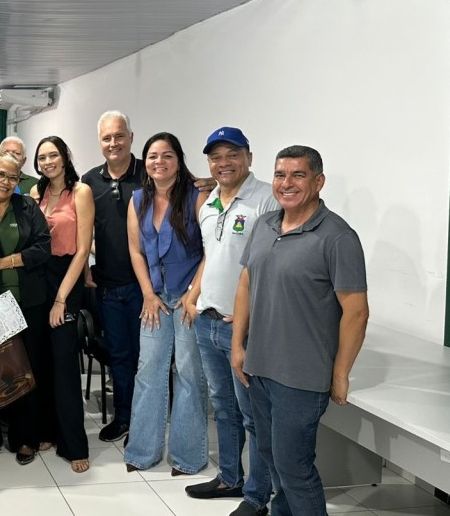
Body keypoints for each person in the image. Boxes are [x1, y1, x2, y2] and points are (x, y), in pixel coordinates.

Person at [232, 145, 368, 516]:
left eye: (298, 175)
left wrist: (340, 374)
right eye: (280, 174)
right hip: (259, 367)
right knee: (270, 456)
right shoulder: (264, 224)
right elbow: (245, 283)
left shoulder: (338, 237)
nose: (286, 183)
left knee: (294, 467)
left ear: (318, 181)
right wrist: (238, 346)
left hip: (302, 376)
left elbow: (356, 313)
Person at [183, 127, 277, 516]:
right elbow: (212, 255)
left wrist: (249, 314)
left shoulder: (266, 199)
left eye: (232, 154)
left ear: (249, 158)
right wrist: (194, 294)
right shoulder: (208, 204)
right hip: (208, 321)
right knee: (222, 407)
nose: (224, 163)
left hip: (244, 328)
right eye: (216, 157)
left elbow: (272, 265)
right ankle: (229, 477)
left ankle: (257, 496)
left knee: (254, 415)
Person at [123, 132, 209, 477]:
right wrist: (147, 292)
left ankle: (188, 457)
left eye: (167, 155)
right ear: (145, 162)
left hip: (188, 299)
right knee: (149, 371)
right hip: (155, 299)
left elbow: (211, 249)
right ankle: (142, 452)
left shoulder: (197, 195)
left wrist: (193, 293)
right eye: (153, 156)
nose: (159, 162)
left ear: (178, 160)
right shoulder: (138, 200)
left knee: (188, 373)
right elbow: (135, 250)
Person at [0, 152, 52, 466]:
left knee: (26, 370)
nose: (6, 182)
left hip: (29, 302)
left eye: (13, 177)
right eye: (0, 174)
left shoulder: (27, 207)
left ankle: (25, 437)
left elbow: (43, 247)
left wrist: (3, 262)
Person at [28, 136, 93, 473]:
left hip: (66, 279)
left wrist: (61, 299)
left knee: (64, 363)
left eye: (53, 155)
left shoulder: (80, 192)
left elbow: (82, 250)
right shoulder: (35, 193)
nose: (48, 162)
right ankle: (46, 431)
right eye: (42, 157)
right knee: (40, 361)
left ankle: (73, 445)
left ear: (65, 157)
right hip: (38, 278)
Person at [80, 110, 145, 442]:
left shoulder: (149, 173)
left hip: (146, 287)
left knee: (146, 357)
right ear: (99, 142)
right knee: (119, 356)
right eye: (107, 138)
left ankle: (145, 423)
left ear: (131, 137)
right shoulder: (90, 181)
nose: (113, 143)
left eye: (119, 135)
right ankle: (123, 418)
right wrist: (88, 261)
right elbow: (83, 230)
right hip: (107, 287)